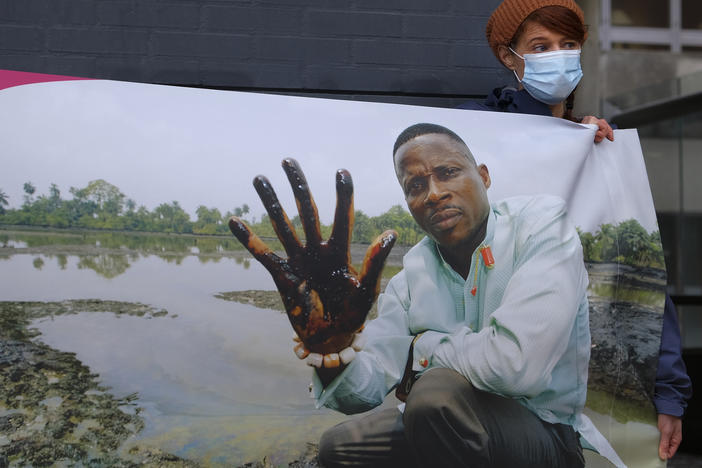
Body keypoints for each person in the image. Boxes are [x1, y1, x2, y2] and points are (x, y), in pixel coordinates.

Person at [298, 123, 622, 467]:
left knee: (433, 397)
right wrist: (334, 353)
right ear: (409, 202)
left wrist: (419, 349)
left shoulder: (541, 227)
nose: (434, 194)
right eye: (416, 186)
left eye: (448, 172)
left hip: (544, 434)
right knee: (339, 448)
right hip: (444, 426)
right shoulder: (409, 279)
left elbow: (516, 365)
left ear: (483, 176)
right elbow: (369, 383)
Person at [459, 0, 692, 460]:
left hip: (578, 378)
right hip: (487, 378)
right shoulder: (473, 135)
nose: (559, 56)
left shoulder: (600, 146)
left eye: (569, 45)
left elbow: (636, 278)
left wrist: (667, 394)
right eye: (540, 46)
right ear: (510, 58)